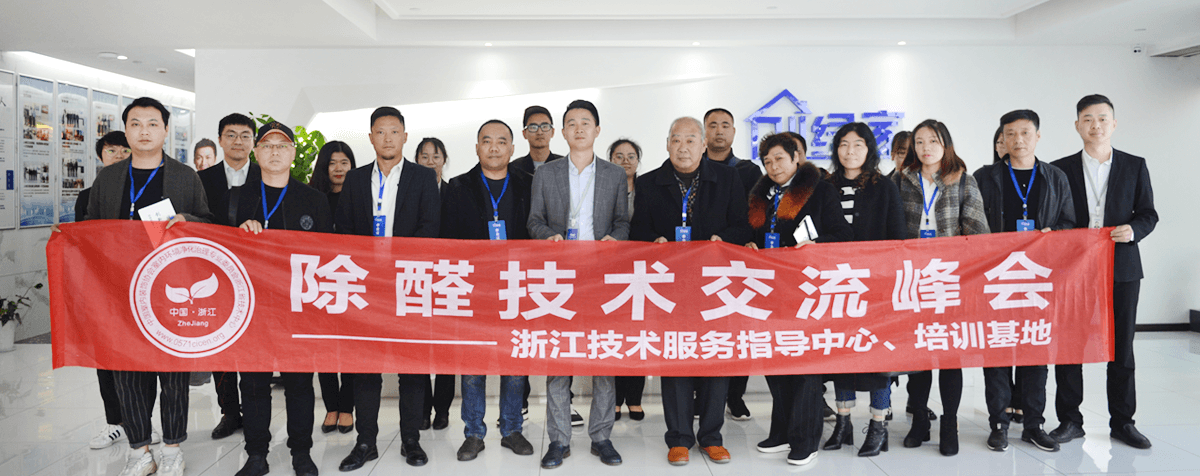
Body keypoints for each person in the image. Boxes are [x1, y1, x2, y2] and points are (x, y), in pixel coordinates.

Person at [86, 97, 214, 476]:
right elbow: (92, 227)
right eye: (136, 124)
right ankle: (139, 449)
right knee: (127, 373)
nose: (144, 131)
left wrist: (186, 220)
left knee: (172, 372)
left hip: (170, 288)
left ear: (165, 130)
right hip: (120, 289)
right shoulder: (109, 177)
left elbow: (207, 223)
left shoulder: (185, 176)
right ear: (126, 131)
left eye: (153, 124)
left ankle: (172, 447)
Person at [631, 116, 751, 466]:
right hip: (671, 288)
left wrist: (722, 239)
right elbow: (638, 232)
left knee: (715, 358)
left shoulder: (727, 179)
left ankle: (712, 437)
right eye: (676, 140)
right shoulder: (650, 182)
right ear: (667, 144)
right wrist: (654, 241)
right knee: (676, 359)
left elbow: (743, 225)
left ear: (703, 145)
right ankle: (680, 438)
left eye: (690, 140)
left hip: (716, 285)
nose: (682, 147)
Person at [334, 106, 440, 470]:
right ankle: (366, 441)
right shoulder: (355, 179)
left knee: (412, 367)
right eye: (380, 132)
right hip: (366, 287)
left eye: (394, 131)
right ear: (371, 138)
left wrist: (396, 263)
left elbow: (430, 228)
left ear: (405, 137)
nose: (388, 138)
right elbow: (345, 230)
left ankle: (411, 439)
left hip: (410, 284)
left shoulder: (423, 178)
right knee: (365, 368)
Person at [1050, 94, 1158, 450]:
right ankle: (1070, 420)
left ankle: (1123, 422)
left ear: (1113, 123)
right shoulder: (1059, 169)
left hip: (1122, 267)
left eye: (1101, 118)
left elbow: (1148, 213)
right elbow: (1053, 216)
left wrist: (1134, 230)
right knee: (1070, 346)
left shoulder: (1134, 165)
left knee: (1121, 347)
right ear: (1077, 125)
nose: (1095, 125)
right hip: (1074, 270)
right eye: (1087, 119)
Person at [528, 99, 629, 469]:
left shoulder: (614, 174)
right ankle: (558, 440)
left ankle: (601, 436)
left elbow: (623, 221)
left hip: (602, 277)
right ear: (563, 132)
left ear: (597, 130)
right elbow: (534, 221)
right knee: (559, 359)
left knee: (604, 358)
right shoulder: (546, 173)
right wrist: (549, 237)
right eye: (571, 123)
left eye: (586, 122)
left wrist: (615, 239)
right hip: (559, 278)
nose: (579, 128)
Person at [231, 121, 333, 476]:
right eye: (267, 145)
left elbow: (328, 256)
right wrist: (239, 233)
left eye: (282, 145)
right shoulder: (239, 198)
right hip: (252, 307)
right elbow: (220, 249)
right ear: (256, 153)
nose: (274, 151)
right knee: (253, 384)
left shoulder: (314, 200)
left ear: (293, 153)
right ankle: (256, 454)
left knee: (299, 384)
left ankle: (301, 453)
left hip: (298, 307)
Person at [745, 133, 852, 466]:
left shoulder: (820, 190)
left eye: (780, 158)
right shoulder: (760, 194)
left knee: (805, 364)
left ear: (796, 158)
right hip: (771, 288)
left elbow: (843, 234)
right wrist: (748, 244)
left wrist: (815, 246)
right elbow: (754, 232)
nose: (773, 166)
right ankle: (782, 432)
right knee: (776, 360)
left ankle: (805, 440)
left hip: (808, 288)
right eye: (767, 161)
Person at [974, 110, 1075, 453]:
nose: (1018, 140)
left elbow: (1069, 223)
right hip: (996, 277)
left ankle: (1033, 424)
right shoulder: (985, 177)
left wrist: (1052, 233)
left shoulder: (1055, 177)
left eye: (1025, 133)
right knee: (997, 350)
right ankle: (998, 423)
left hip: (1038, 278)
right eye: (1011, 134)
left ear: (1038, 136)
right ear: (1002, 138)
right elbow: (972, 225)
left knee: (1035, 349)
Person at [441, 119, 537, 461]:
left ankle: (512, 429)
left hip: (517, 285)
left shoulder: (529, 184)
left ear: (512, 148)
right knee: (472, 364)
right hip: (472, 287)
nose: (494, 147)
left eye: (501, 141)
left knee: (514, 362)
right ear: (477, 147)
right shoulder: (458, 186)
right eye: (487, 141)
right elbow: (446, 240)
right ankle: (473, 433)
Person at [892, 119, 989, 457]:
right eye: (919, 142)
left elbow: (978, 232)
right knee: (918, 352)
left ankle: (950, 424)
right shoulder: (900, 179)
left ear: (945, 144)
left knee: (950, 355)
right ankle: (919, 420)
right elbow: (889, 228)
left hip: (950, 279)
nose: (926, 148)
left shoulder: (963, 180)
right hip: (912, 278)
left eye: (933, 141)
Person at [822, 122, 907, 458]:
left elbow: (897, 237)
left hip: (876, 288)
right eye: (844, 144)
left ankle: (878, 426)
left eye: (858, 144)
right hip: (837, 286)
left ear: (869, 149)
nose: (850, 151)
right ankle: (843, 424)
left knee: (877, 357)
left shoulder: (883, 186)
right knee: (842, 355)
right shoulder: (825, 186)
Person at [77, 130, 155, 451]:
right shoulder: (89, 195)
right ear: (100, 156)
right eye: (112, 151)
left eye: (125, 150)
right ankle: (115, 423)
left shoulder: (150, 193)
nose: (119, 156)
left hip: (143, 289)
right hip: (104, 289)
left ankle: (143, 422)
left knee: (144, 357)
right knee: (107, 357)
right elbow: (82, 242)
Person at [198, 112, 262, 441]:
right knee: (219, 346)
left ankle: (253, 411)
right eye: (231, 135)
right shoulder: (202, 179)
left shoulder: (267, 177)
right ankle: (229, 411)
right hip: (213, 275)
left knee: (252, 346)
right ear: (220, 140)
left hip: (256, 277)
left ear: (254, 142)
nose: (238, 141)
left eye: (245, 135)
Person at [701, 107, 761, 421]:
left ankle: (735, 396)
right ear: (704, 132)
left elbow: (758, 216)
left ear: (734, 132)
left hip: (739, 262)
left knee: (738, 332)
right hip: (700, 264)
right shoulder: (692, 167)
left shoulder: (749, 171)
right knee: (702, 330)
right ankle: (701, 397)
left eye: (725, 125)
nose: (719, 130)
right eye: (712, 125)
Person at [412, 136, 455, 429]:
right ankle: (422, 408)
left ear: (444, 161)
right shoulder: (408, 194)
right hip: (417, 278)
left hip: (449, 280)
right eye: (424, 157)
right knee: (418, 348)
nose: (430, 162)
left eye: (436, 157)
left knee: (445, 349)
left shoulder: (455, 193)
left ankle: (442, 410)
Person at [607, 138, 646, 421]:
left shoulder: (648, 189)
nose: (625, 161)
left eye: (631, 156)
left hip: (643, 271)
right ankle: (615, 399)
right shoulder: (603, 189)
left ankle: (634, 398)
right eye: (618, 156)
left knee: (638, 335)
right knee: (614, 336)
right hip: (610, 271)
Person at [511, 105, 563, 178]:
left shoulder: (564, 165)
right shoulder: (514, 169)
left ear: (552, 132)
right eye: (533, 127)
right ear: (524, 133)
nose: (539, 132)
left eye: (544, 126)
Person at [309, 140, 358, 214]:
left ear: (351, 165)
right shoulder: (310, 196)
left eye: (344, 163)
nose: (338, 169)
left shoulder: (360, 197)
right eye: (332, 163)